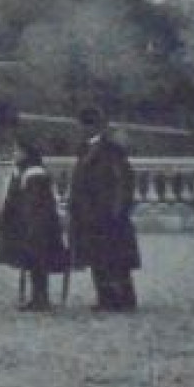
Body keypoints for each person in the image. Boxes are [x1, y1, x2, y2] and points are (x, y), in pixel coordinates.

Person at [69, 106, 140, 312]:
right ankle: (107, 298)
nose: (81, 130)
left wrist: (117, 212)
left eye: (84, 125)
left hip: (107, 214)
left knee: (115, 259)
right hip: (90, 214)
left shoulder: (111, 150)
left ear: (92, 126)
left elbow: (123, 182)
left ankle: (123, 299)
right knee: (98, 258)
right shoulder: (85, 149)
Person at [0, 140, 68, 311]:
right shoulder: (26, 171)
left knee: (38, 262)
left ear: (26, 154)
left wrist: (28, 224)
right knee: (34, 262)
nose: (15, 155)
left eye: (17, 151)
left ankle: (40, 298)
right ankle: (38, 297)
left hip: (39, 226)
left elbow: (34, 204)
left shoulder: (34, 174)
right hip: (33, 224)